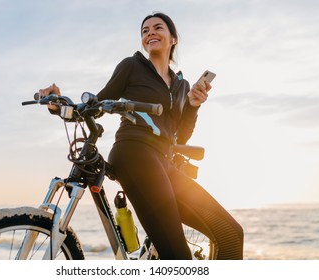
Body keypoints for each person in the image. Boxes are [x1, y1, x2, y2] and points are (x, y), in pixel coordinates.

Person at [40, 12, 243, 260]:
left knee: (231, 234)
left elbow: (181, 136)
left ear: (173, 39)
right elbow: (96, 104)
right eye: (145, 31)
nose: (150, 33)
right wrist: (58, 104)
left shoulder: (182, 86)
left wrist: (192, 105)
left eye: (157, 28)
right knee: (178, 257)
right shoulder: (131, 67)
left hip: (166, 163)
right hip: (134, 153)